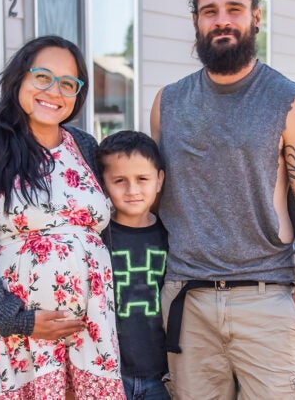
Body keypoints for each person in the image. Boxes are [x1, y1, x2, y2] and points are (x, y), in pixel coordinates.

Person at [150, 0, 295, 400]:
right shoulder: (167, 103)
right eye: (209, 11)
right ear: (195, 21)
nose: (222, 20)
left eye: (234, 8)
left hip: (265, 298)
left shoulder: (290, 100)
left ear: (256, 16)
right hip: (186, 303)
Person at [0, 35, 126, 399]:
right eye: (43, 77)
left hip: (90, 336)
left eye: (68, 84)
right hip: (16, 340)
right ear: (20, 79)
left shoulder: (85, 147)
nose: (54, 91)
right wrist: (18, 319)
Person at [97, 131, 171, 400]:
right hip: (109, 374)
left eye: (142, 179)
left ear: (159, 180)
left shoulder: (172, 236)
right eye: (119, 181)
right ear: (103, 185)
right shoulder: (96, 238)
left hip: (161, 374)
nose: (132, 190)